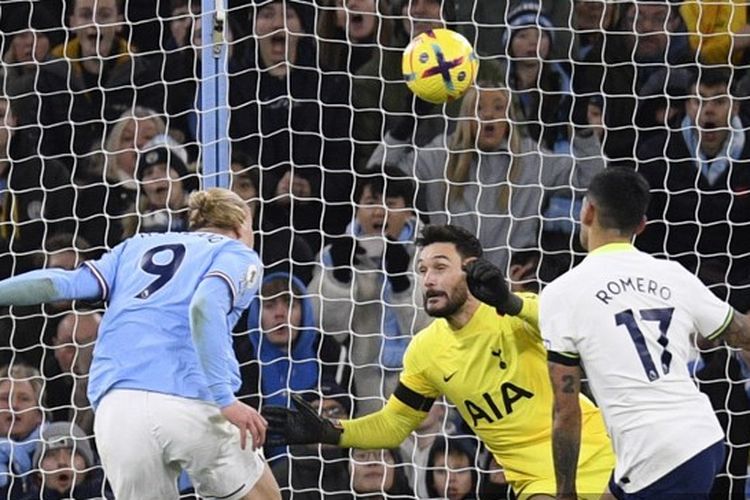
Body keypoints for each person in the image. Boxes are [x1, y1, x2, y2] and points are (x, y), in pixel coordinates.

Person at [263, 224, 615, 498]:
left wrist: (510, 302)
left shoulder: (516, 310)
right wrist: (332, 433)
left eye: (440, 267)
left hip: (598, 452)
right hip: (535, 480)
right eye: (421, 270)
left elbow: (572, 325)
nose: (428, 279)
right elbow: (394, 424)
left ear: (471, 269)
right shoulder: (426, 350)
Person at [0, 188, 281, 499]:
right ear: (242, 225)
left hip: (117, 410)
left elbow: (60, 283)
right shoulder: (236, 254)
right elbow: (204, 306)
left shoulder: (135, 247)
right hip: (188, 400)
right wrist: (226, 400)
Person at [540, 167, 750, 499]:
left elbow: (566, 411)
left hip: (654, 452)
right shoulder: (673, 274)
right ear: (641, 226)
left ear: (587, 211)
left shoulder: (560, 294)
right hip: (702, 437)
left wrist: (565, 491)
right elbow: (741, 331)